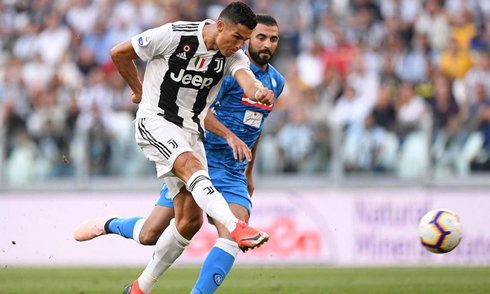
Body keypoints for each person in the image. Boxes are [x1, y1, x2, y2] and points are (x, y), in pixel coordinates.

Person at [75, 3, 275, 294]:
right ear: (220, 27)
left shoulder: (233, 54)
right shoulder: (174, 35)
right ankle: (236, 226)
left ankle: (138, 286)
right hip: (155, 121)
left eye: (244, 40)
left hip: (191, 131)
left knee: (186, 223)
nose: (239, 45)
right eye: (237, 37)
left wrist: (258, 91)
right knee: (191, 168)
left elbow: (247, 79)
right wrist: (139, 90)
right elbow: (119, 53)